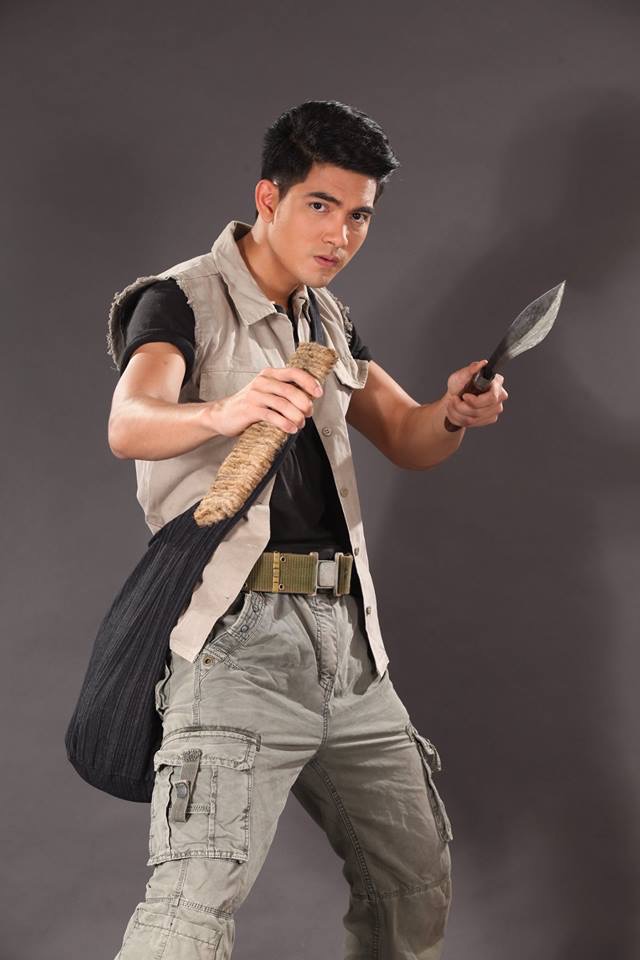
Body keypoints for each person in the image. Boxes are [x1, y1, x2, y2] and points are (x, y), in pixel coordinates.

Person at [106, 99, 507, 960]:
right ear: (269, 196)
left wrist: (454, 411)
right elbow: (129, 422)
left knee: (413, 886)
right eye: (321, 205)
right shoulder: (182, 300)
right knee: (189, 913)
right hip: (236, 642)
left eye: (359, 215)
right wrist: (225, 412)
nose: (341, 234)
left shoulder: (325, 316)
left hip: (349, 646)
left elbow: (407, 435)